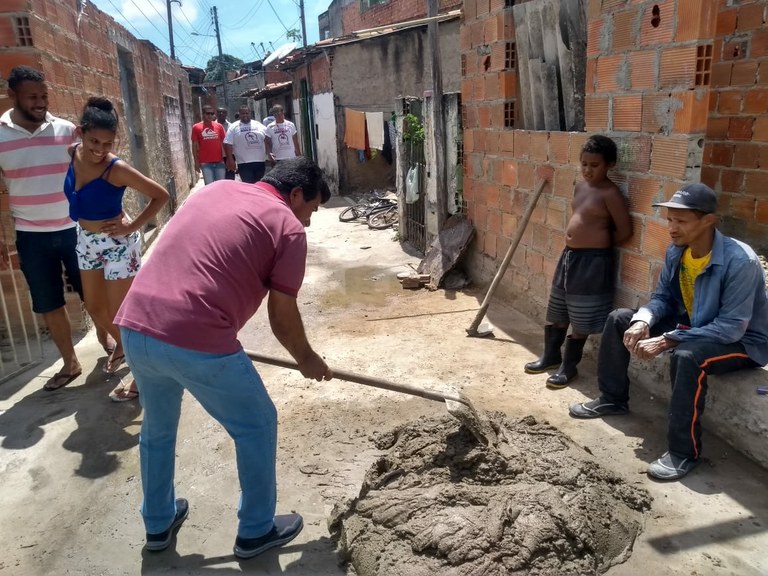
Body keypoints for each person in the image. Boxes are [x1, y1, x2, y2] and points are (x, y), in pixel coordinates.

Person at [114, 157, 332, 557]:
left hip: (135, 326)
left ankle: (158, 523)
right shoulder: (287, 227)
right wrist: (308, 360)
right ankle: (255, 530)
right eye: (311, 210)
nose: (308, 222)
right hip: (195, 335)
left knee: (158, 430)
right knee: (257, 424)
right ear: (296, 194)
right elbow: (282, 318)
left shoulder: (215, 189)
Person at [569, 183, 768, 481]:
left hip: (743, 341)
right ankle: (612, 398)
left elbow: (730, 327)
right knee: (620, 318)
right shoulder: (677, 251)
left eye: (681, 221)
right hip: (695, 323)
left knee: (688, 357)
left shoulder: (742, 262)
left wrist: (669, 339)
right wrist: (644, 321)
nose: (672, 228)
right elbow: (663, 298)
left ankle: (683, 452)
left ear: (708, 221)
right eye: (670, 219)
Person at [0, 65, 113, 391]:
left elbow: (101, 165)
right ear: (12, 95)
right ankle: (70, 362)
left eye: (44, 96)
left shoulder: (67, 132)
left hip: (76, 230)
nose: (40, 102)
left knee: (95, 296)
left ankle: (111, 347)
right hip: (30, 235)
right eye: (32, 96)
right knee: (48, 302)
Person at [64, 97, 169, 401]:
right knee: (96, 307)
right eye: (93, 141)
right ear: (80, 133)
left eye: (107, 143)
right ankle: (125, 347)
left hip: (117, 246)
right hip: (85, 239)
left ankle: (143, 374)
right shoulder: (72, 154)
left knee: (120, 312)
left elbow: (159, 196)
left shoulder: (116, 168)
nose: (99, 149)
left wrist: (131, 226)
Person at [525, 135, 632, 389]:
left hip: (593, 262)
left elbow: (625, 231)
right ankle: (551, 356)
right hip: (569, 257)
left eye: (594, 165)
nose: (587, 170)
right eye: (584, 164)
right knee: (559, 308)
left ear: (610, 165)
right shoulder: (580, 187)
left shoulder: (610, 193)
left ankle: (569, 367)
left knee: (582, 317)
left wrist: (597, 244)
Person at [223, 105, 269, 184]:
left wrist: (269, 153)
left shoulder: (258, 125)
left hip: (260, 161)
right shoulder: (233, 127)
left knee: (260, 184)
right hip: (244, 163)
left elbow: (267, 138)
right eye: (243, 113)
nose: (245, 115)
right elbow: (227, 143)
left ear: (250, 113)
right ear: (239, 114)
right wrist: (230, 159)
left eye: (247, 113)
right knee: (248, 185)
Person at [191, 104, 226, 185]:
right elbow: (194, 145)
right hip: (205, 163)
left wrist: (228, 160)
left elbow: (225, 143)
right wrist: (196, 162)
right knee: (209, 186)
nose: (210, 115)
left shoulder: (219, 126)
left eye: (212, 113)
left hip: (219, 162)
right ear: (202, 114)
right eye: (207, 113)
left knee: (220, 186)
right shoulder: (196, 127)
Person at [216, 107, 236, 180]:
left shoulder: (231, 126)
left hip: (230, 154)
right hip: (217, 155)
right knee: (219, 178)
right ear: (216, 113)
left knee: (230, 176)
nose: (221, 114)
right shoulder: (212, 126)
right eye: (219, 112)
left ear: (226, 114)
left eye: (223, 112)